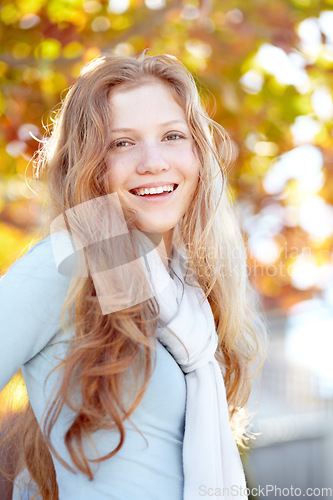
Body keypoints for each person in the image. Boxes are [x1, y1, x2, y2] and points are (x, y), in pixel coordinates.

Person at [0, 51, 266, 500]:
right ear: (89, 162)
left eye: (172, 136)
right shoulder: (64, 265)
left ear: (197, 153)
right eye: (122, 143)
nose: (153, 161)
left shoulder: (192, 294)